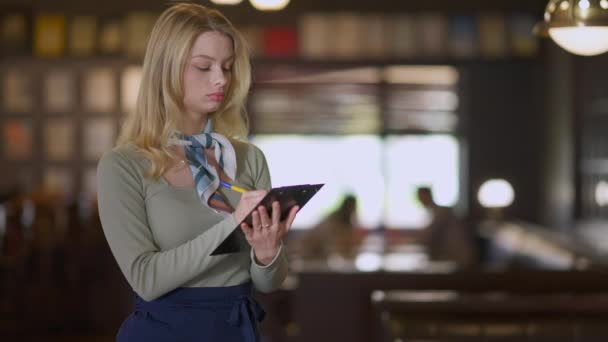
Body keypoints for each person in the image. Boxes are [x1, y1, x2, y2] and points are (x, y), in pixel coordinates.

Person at [96, 3, 299, 341]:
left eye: (227, 66)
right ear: (166, 70)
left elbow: (268, 282)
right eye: (203, 67)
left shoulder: (250, 159)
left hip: (237, 331)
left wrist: (267, 254)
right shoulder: (122, 166)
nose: (220, 78)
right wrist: (233, 225)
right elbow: (146, 279)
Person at [416, 187, 475, 268]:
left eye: (421, 196)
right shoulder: (435, 211)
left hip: (457, 257)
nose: (420, 200)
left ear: (428, 196)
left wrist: (415, 239)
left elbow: (430, 234)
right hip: (452, 257)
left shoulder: (441, 211)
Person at [296, 194, 359, 260]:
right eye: (351, 207)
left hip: (320, 257)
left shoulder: (346, 222)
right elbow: (330, 245)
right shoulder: (333, 220)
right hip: (310, 254)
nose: (352, 210)